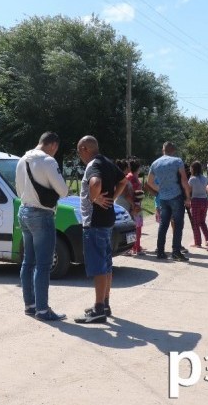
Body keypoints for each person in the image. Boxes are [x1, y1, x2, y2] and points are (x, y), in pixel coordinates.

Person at [15, 132, 70, 321]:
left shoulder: (22, 160)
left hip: (24, 212)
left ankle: (30, 305)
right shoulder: (48, 162)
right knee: (44, 265)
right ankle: (43, 310)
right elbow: (63, 191)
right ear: (53, 145)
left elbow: (18, 190)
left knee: (27, 262)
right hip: (42, 214)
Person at [75, 136, 127, 324]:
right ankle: (104, 303)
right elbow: (124, 181)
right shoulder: (107, 162)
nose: (79, 155)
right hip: (107, 220)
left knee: (98, 266)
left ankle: (98, 309)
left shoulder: (93, 165)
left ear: (84, 148)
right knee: (106, 263)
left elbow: (95, 183)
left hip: (94, 222)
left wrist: (93, 198)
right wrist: (113, 197)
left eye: (79, 151)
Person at [147, 142, 192, 261]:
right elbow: (184, 180)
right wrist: (187, 197)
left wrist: (160, 189)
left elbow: (149, 182)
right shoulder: (177, 161)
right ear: (173, 150)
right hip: (176, 196)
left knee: (163, 224)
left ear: (163, 150)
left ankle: (160, 251)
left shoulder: (155, 163)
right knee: (178, 225)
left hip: (163, 198)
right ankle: (176, 252)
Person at [187, 161, 208, 248]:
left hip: (196, 201)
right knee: (202, 221)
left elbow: (188, 190)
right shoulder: (205, 178)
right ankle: (207, 239)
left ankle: (197, 242)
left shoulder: (192, 179)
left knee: (195, 223)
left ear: (193, 169)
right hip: (204, 200)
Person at [127, 158, 146, 255]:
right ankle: (136, 248)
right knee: (137, 227)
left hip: (134, 204)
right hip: (135, 205)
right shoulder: (132, 178)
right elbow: (133, 193)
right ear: (138, 168)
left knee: (135, 226)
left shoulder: (130, 176)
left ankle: (134, 246)